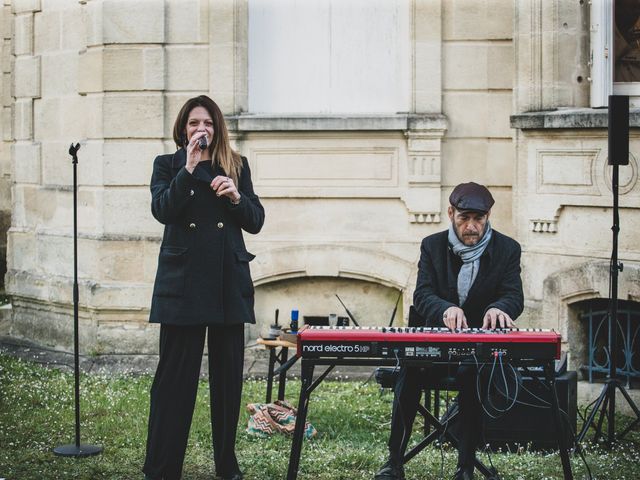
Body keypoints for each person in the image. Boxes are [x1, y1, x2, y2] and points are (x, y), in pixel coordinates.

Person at [143, 95, 265, 480]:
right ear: (183, 129)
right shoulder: (167, 165)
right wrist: (188, 170)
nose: (202, 129)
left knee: (227, 385)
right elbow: (162, 209)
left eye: (209, 123)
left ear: (218, 129)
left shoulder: (236, 166)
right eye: (195, 123)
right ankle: (162, 468)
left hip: (227, 282)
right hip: (183, 284)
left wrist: (236, 196)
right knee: (173, 383)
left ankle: (226, 466)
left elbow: (256, 220)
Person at [374, 182, 524, 480]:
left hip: (476, 353)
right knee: (409, 370)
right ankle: (394, 463)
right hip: (434, 349)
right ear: (450, 213)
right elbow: (423, 294)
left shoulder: (507, 249)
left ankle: (465, 467)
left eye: (478, 219)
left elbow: (514, 296)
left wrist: (500, 308)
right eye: (464, 218)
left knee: (472, 374)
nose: (471, 227)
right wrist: (445, 309)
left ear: (488, 216)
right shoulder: (432, 245)